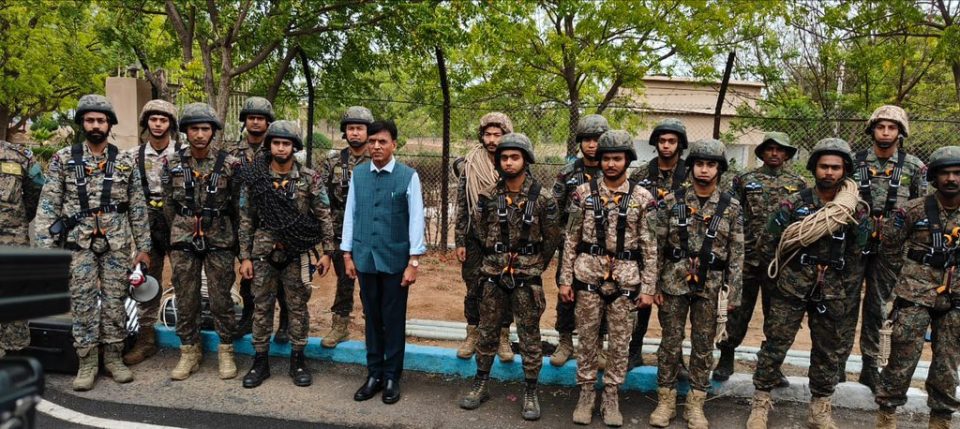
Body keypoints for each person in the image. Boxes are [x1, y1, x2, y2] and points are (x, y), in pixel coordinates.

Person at [746, 138, 869, 429]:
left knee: (827, 350)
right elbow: (768, 243)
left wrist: (843, 287)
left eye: (836, 167)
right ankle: (761, 403)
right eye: (824, 166)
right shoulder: (793, 204)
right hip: (792, 285)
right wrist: (781, 280)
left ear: (844, 171)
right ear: (814, 168)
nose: (829, 172)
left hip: (833, 289)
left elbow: (858, 254)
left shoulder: (854, 210)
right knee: (775, 344)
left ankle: (820, 409)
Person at [34, 94, 151, 391]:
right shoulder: (63, 159)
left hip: (117, 244)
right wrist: (47, 252)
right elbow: (48, 206)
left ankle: (113, 356)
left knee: (115, 301)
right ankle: (87, 361)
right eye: (90, 120)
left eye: (101, 120)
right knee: (83, 302)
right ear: (82, 123)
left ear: (109, 124)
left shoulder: (125, 161)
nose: (96, 125)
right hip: (78, 244)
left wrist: (144, 248)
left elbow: (137, 205)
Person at [559, 130, 658, 427]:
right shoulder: (583, 194)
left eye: (617, 158)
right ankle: (587, 393)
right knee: (587, 339)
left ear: (628, 160)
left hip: (627, 280)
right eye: (606, 158)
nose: (611, 164)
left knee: (620, 342)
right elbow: (570, 239)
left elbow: (650, 247)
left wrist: (649, 288)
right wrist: (565, 279)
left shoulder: (643, 198)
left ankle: (612, 394)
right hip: (588, 274)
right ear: (599, 160)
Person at [458, 133, 560, 420]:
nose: (509, 162)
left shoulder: (544, 198)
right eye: (504, 157)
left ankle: (530, 390)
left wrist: (533, 264)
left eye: (515, 157)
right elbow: (478, 231)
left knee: (529, 335)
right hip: (493, 274)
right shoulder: (489, 195)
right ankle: (480, 383)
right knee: (488, 331)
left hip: (527, 276)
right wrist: (496, 257)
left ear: (526, 160)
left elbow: (552, 239)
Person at [648, 139, 744, 429]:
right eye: (699, 164)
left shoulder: (731, 207)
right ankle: (666, 400)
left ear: (720, 169)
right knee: (670, 343)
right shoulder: (671, 200)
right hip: (673, 282)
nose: (704, 170)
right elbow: (656, 245)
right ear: (691, 167)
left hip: (711, 286)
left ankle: (696, 403)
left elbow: (737, 253)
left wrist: (734, 293)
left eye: (711, 165)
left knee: (703, 345)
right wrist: (651, 287)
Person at [237, 120, 334, 388]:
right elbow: (245, 219)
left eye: (286, 143)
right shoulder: (256, 178)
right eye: (276, 143)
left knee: (298, 306)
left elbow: (324, 215)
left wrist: (327, 252)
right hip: (262, 253)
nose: (281, 148)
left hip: (298, 252)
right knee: (261, 305)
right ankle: (260, 361)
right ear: (269, 145)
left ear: (294, 147)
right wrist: (245, 257)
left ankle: (298, 360)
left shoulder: (309, 177)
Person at [874, 146, 960, 429]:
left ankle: (941, 419)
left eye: (957, 173)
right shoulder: (913, 209)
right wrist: (909, 276)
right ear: (934, 177)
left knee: (948, 363)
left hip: (956, 297)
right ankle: (887, 414)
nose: (951, 179)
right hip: (914, 294)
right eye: (945, 173)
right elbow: (889, 246)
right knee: (903, 355)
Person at [342, 120, 425, 405]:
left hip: (395, 261)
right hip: (365, 258)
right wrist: (347, 254)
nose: (376, 146)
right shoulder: (359, 175)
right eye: (372, 141)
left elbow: (416, 220)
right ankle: (374, 373)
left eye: (382, 142)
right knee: (372, 318)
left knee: (392, 319)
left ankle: (392, 375)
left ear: (394, 145)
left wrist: (413, 261)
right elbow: (350, 215)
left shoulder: (407, 176)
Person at [713, 132, 805, 385]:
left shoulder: (798, 184)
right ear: (762, 152)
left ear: (787, 154)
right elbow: (732, 214)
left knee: (777, 315)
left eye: (780, 150)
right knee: (736, 310)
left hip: (780, 261)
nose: (774, 154)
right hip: (747, 258)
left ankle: (771, 365)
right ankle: (726, 357)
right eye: (770, 149)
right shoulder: (745, 180)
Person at [162, 102, 242, 382]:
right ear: (185, 131)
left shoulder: (230, 164)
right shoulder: (171, 163)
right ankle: (188, 351)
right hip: (183, 236)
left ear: (213, 132)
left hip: (219, 236)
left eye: (204, 129)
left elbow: (237, 207)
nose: (199, 134)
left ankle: (226, 350)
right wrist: (180, 228)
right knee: (186, 296)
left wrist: (238, 246)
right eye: (194, 129)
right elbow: (167, 207)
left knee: (221, 296)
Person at [848, 105, 926, 391]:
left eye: (891, 127)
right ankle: (835, 365)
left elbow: (922, 209)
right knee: (843, 304)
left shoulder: (914, 167)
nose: (885, 132)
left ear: (900, 132)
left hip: (892, 250)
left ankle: (870, 366)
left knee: (878, 307)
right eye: (880, 126)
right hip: (853, 246)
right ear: (872, 130)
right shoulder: (852, 163)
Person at [626, 117, 688, 369]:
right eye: (661, 141)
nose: (666, 146)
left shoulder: (689, 175)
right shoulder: (641, 174)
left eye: (671, 141)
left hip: (677, 252)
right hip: (645, 250)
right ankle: (634, 350)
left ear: (680, 144)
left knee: (674, 309)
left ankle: (676, 357)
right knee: (640, 303)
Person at [123, 99, 180, 366]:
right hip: (145, 226)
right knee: (146, 282)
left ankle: (190, 341)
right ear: (146, 122)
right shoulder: (131, 156)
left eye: (163, 119)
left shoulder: (183, 154)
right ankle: (145, 340)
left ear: (171, 124)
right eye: (153, 119)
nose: (158, 124)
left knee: (187, 281)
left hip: (179, 224)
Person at [455, 112, 515, 362]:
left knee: (506, 287)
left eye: (497, 135)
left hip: (505, 238)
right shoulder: (469, 165)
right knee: (473, 286)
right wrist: (460, 240)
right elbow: (461, 205)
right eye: (488, 135)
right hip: (474, 237)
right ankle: (473, 332)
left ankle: (503, 336)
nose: (492, 140)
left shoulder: (514, 162)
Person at [549, 114, 608, 367]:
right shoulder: (569, 173)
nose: (592, 145)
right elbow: (553, 210)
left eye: (596, 139)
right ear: (580, 143)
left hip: (605, 250)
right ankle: (565, 342)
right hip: (573, 247)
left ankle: (597, 347)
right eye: (587, 140)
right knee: (567, 293)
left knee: (605, 294)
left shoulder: (613, 169)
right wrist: (565, 238)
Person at [230, 96, 289, 342]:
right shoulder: (233, 153)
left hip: (272, 223)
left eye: (261, 118)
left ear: (268, 122)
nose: (255, 122)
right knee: (248, 273)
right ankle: (249, 316)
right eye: (251, 118)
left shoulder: (276, 150)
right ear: (245, 121)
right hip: (241, 221)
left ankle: (285, 321)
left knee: (282, 274)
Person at [320, 106, 373, 348]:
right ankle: (339, 326)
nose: (354, 133)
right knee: (344, 282)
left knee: (372, 284)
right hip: (343, 235)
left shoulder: (378, 160)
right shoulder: (332, 163)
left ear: (368, 131)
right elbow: (322, 203)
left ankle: (374, 328)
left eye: (359, 128)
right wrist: (328, 244)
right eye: (350, 128)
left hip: (372, 236)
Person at [0, 137, 45, 358]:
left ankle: (14, 351)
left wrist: (18, 219)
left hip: (12, 239)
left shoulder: (19, 155)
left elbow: (37, 189)